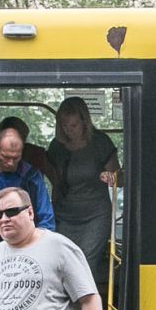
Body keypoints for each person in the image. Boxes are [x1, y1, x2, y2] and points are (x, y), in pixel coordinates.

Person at [44, 97, 120, 285]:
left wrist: (111, 177)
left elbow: (120, 176)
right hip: (65, 215)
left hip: (95, 215)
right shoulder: (56, 146)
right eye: (64, 126)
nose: (69, 131)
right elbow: (55, 182)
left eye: (73, 125)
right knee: (62, 264)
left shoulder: (100, 142)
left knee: (85, 262)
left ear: (84, 122)